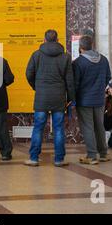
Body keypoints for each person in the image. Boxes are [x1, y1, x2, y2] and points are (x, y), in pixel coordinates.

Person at [25, 29, 75, 167]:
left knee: (38, 128)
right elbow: (70, 80)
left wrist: (36, 87)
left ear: (44, 40)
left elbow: (28, 73)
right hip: (59, 97)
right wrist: (70, 97)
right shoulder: (65, 57)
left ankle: (34, 158)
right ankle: (59, 159)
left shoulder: (36, 55)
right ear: (57, 40)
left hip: (41, 97)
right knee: (58, 128)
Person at [73, 35, 112, 165]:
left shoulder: (78, 63)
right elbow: (108, 77)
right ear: (92, 45)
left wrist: (74, 98)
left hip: (84, 101)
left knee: (88, 127)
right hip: (99, 99)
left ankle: (91, 156)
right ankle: (103, 154)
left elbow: (75, 84)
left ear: (80, 47)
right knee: (99, 126)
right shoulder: (104, 60)